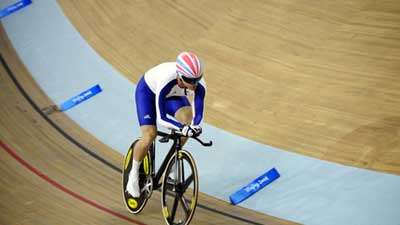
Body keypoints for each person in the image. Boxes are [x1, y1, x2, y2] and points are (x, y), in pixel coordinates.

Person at [126, 52, 206, 198]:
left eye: (197, 79)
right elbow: (161, 118)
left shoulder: (199, 84)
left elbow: (198, 115)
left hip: (174, 95)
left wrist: (193, 127)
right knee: (150, 135)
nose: (195, 84)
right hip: (148, 93)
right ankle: (133, 176)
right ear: (179, 76)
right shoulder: (166, 78)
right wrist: (182, 128)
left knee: (188, 120)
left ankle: (173, 164)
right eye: (190, 80)